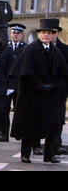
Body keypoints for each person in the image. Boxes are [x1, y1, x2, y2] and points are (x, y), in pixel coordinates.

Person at [10, 19, 68, 164]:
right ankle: (25, 154)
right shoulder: (30, 49)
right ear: (39, 34)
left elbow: (62, 74)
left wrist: (54, 86)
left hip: (50, 95)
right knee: (29, 126)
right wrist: (39, 86)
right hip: (32, 95)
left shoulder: (55, 51)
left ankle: (50, 155)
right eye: (44, 33)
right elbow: (26, 73)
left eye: (49, 33)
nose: (46, 36)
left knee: (53, 126)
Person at [3, 23, 27, 142]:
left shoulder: (26, 48)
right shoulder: (5, 47)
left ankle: (18, 132)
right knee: (4, 109)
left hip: (20, 84)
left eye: (18, 33)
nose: (15, 35)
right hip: (7, 83)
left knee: (19, 110)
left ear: (22, 35)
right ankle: (4, 133)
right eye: (13, 33)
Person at [50, 19, 68, 155]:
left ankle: (56, 144)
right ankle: (36, 144)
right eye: (49, 32)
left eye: (54, 32)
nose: (51, 35)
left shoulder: (65, 50)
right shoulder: (38, 48)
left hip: (60, 91)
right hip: (42, 89)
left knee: (58, 118)